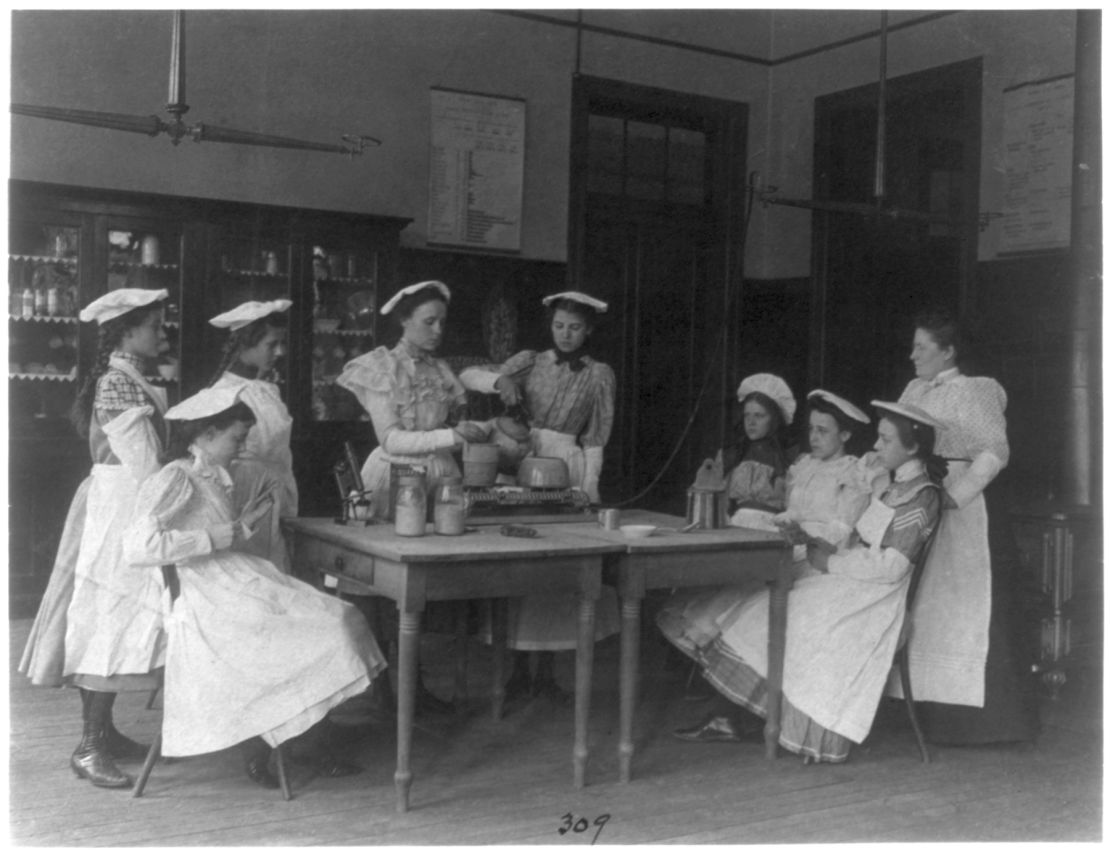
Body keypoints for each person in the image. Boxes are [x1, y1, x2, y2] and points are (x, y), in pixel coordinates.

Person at [122, 385, 386, 786]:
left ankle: (303, 731)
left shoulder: (212, 475)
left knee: (339, 616)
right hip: (205, 596)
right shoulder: (177, 477)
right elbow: (138, 547)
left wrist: (242, 525)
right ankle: (277, 738)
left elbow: (218, 531)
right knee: (324, 628)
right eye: (236, 438)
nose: (242, 448)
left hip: (232, 578)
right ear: (206, 434)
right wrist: (216, 537)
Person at [663, 401, 945, 764]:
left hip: (876, 598)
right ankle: (733, 717)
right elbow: (864, 541)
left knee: (777, 610)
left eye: (885, 440)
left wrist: (831, 561)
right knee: (762, 601)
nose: (875, 447)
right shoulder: (895, 487)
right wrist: (820, 549)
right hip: (857, 582)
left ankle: (746, 719)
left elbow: (891, 567)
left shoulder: (923, 495)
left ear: (912, 447)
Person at [19, 288, 171, 790]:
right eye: (155, 325)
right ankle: (88, 745)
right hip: (119, 508)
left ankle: (104, 731)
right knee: (108, 615)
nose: (162, 332)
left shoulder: (131, 379)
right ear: (129, 331)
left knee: (123, 618)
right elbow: (145, 462)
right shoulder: (117, 385)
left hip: (128, 503)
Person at [460, 291, 620, 703]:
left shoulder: (600, 374)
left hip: (566, 463)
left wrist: (589, 488)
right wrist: (502, 380)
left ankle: (547, 672)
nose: (566, 335)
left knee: (557, 568)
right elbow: (467, 377)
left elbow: (598, 435)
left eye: (575, 328)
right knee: (521, 561)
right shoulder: (530, 360)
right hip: (521, 457)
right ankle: (514, 671)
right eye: (559, 326)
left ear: (589, 330)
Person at [336, 280, 485, 712]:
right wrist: (450, 435)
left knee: (420, 586)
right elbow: (392, 440)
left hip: (439, 477)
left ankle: (414, 686)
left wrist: (470, 435)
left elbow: (454, 425)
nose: (438, 330)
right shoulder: (380, 368)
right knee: (381, 584)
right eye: (428, 321)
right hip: (393, 478)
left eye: (442, 321)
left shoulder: (439, 372)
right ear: (404, 321)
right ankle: (382, 687)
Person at [658, 388, 871, 685]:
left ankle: (721, 682)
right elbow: (791, 510)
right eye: (811, 429)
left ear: (846, 435)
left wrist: (802, 537)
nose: (814, 437)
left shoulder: (852, 472)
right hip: (785, 540)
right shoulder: (804, 465)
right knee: (730, 577)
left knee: (747, 592)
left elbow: (841, 531)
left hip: (817, 552)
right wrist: (783, 525)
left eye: (823, 431)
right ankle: (702, 675)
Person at [897, 308, 1039, 744]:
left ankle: (982, 726)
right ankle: (926, 715)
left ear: (949, 352)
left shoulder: (975, 391)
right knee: (927, 606)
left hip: (963, 508)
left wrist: (954, 497)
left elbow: (995, 451)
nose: (912, 354)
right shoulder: (915, 389)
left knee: (967, 610)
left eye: (921, 347)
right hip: (924, 501)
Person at [207, 299, 296, 571]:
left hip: (278, 486)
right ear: (245, 343)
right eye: (271, 344)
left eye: (282, 343)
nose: (279, 351)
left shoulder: (267, 389)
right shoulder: (224, 393)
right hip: (245, 492)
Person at [723, 373, 797, 517]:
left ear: (773, 419)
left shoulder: (789, 456)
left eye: (759, 416)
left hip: (771, 528)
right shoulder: (735, 454)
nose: (751, 422)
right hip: (736, 526)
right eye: (747, 415)